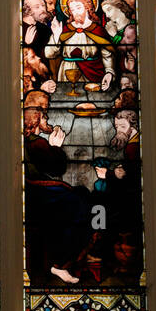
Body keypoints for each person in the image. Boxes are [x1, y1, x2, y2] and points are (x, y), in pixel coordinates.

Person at [23, 94, 91, 285]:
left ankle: (74, 257)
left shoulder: (33, 141)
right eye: (43, 116)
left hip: (37, 191)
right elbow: (57, 168)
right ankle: (61, 263)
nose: (47, 119)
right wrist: (55, 146)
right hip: (38, 195)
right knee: (82, 202)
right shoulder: (37, 143)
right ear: (35, 121)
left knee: (81, 196)